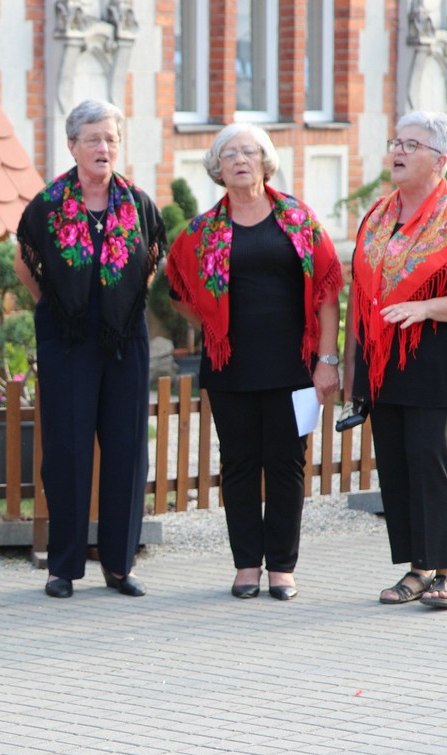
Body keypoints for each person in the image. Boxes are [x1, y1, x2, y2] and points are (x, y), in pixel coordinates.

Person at [165, 123, 343, 601]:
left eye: (250, 151)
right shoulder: (203, 231)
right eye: (229, 154)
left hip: (295, 363)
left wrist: (328, 359)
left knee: (287, 464)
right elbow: (177, 287)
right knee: (239, 464)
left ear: (266, 162)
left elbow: (327, 291)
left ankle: (282, 567)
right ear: (217, 170)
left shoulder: (298, 219)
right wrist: (211, 321)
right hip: (231, 366)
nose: (240, 159)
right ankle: (247, 565)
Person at [345, 111, 447, 609]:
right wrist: (352, 366)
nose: (399, 150)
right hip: (384, 363)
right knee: (396, 465)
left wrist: (426, 306)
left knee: (431, 466)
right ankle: (416, 570)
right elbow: (360, 289)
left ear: (440, 159)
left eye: (411, 144)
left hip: (434, 362)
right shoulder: (379, 216)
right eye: (397, 141)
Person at [14, 99, 165, 600]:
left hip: (125, 338)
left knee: (126, 448)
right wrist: (61, 308)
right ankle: (64, 567)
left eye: (111, 139)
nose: (104, 148)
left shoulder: (138, 202)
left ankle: (120, 565)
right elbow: (26, 265)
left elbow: (150, 263)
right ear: (73, 145)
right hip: (67, 341)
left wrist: (119, 310)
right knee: (67, 450)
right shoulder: (48, 204)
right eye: (94, 139)